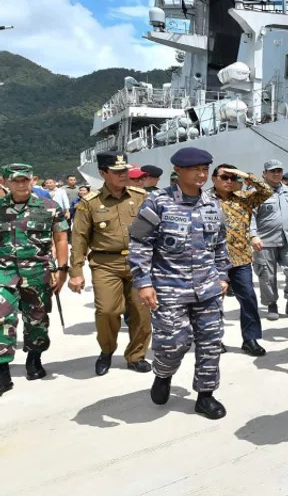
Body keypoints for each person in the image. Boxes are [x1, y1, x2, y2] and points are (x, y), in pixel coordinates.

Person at [129, 146, 231, 420]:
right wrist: (144, 282)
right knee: (173, 342)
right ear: (179, 171)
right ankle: (163, 374)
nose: (201, 175)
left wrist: (223, 275)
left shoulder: (212, 203)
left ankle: (205, 396)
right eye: (195, 170)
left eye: (205, 170)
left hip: (207, 288)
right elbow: (140, 244)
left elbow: (220, 244)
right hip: (169, 288)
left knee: (211, 342)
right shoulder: (158, 202)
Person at [69, 152, 152, 376]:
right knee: (106, 311)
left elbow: (156, 229)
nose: (123, 175)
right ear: (103, 173)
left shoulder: (141, 196)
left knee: (141, 312)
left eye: (125, 171)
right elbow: (79, 238)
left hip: (139, 263)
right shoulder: (90, 203)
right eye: (117, 172)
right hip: (106, 263)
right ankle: (107, 351)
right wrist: (75, 271)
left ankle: (136, 355)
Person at [0, 163, 69, 395]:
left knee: (37, 318)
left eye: (24, 179)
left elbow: (60, 239)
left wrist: (62, 269)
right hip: (4, 272)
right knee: (2, 318)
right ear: (6, 182)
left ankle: (34, 358)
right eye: (15, 180)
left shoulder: (49, 207)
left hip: (38, 272)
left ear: (33, 180)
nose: (20, 184)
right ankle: (2, 370)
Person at [211, 163, 273, 356]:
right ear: (214, 179)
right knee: (213, 302)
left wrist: (245, 175)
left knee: (248, 299)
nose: (229, 181)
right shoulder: (203, 200)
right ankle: (214, 340)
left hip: (240, 259)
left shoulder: (244, 198)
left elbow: (267, 190)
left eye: (233, 178)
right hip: (212, 260)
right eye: (224, 177)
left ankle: (250, 339)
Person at [252, 160, 288, 320]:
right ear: (264, 174)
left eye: (279, 171)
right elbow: (251, 216)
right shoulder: (257, 192)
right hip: (265, 241)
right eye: (272, 171)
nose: (276, 174)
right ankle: (271, 305)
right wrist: (253, 235)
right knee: (267, 275)